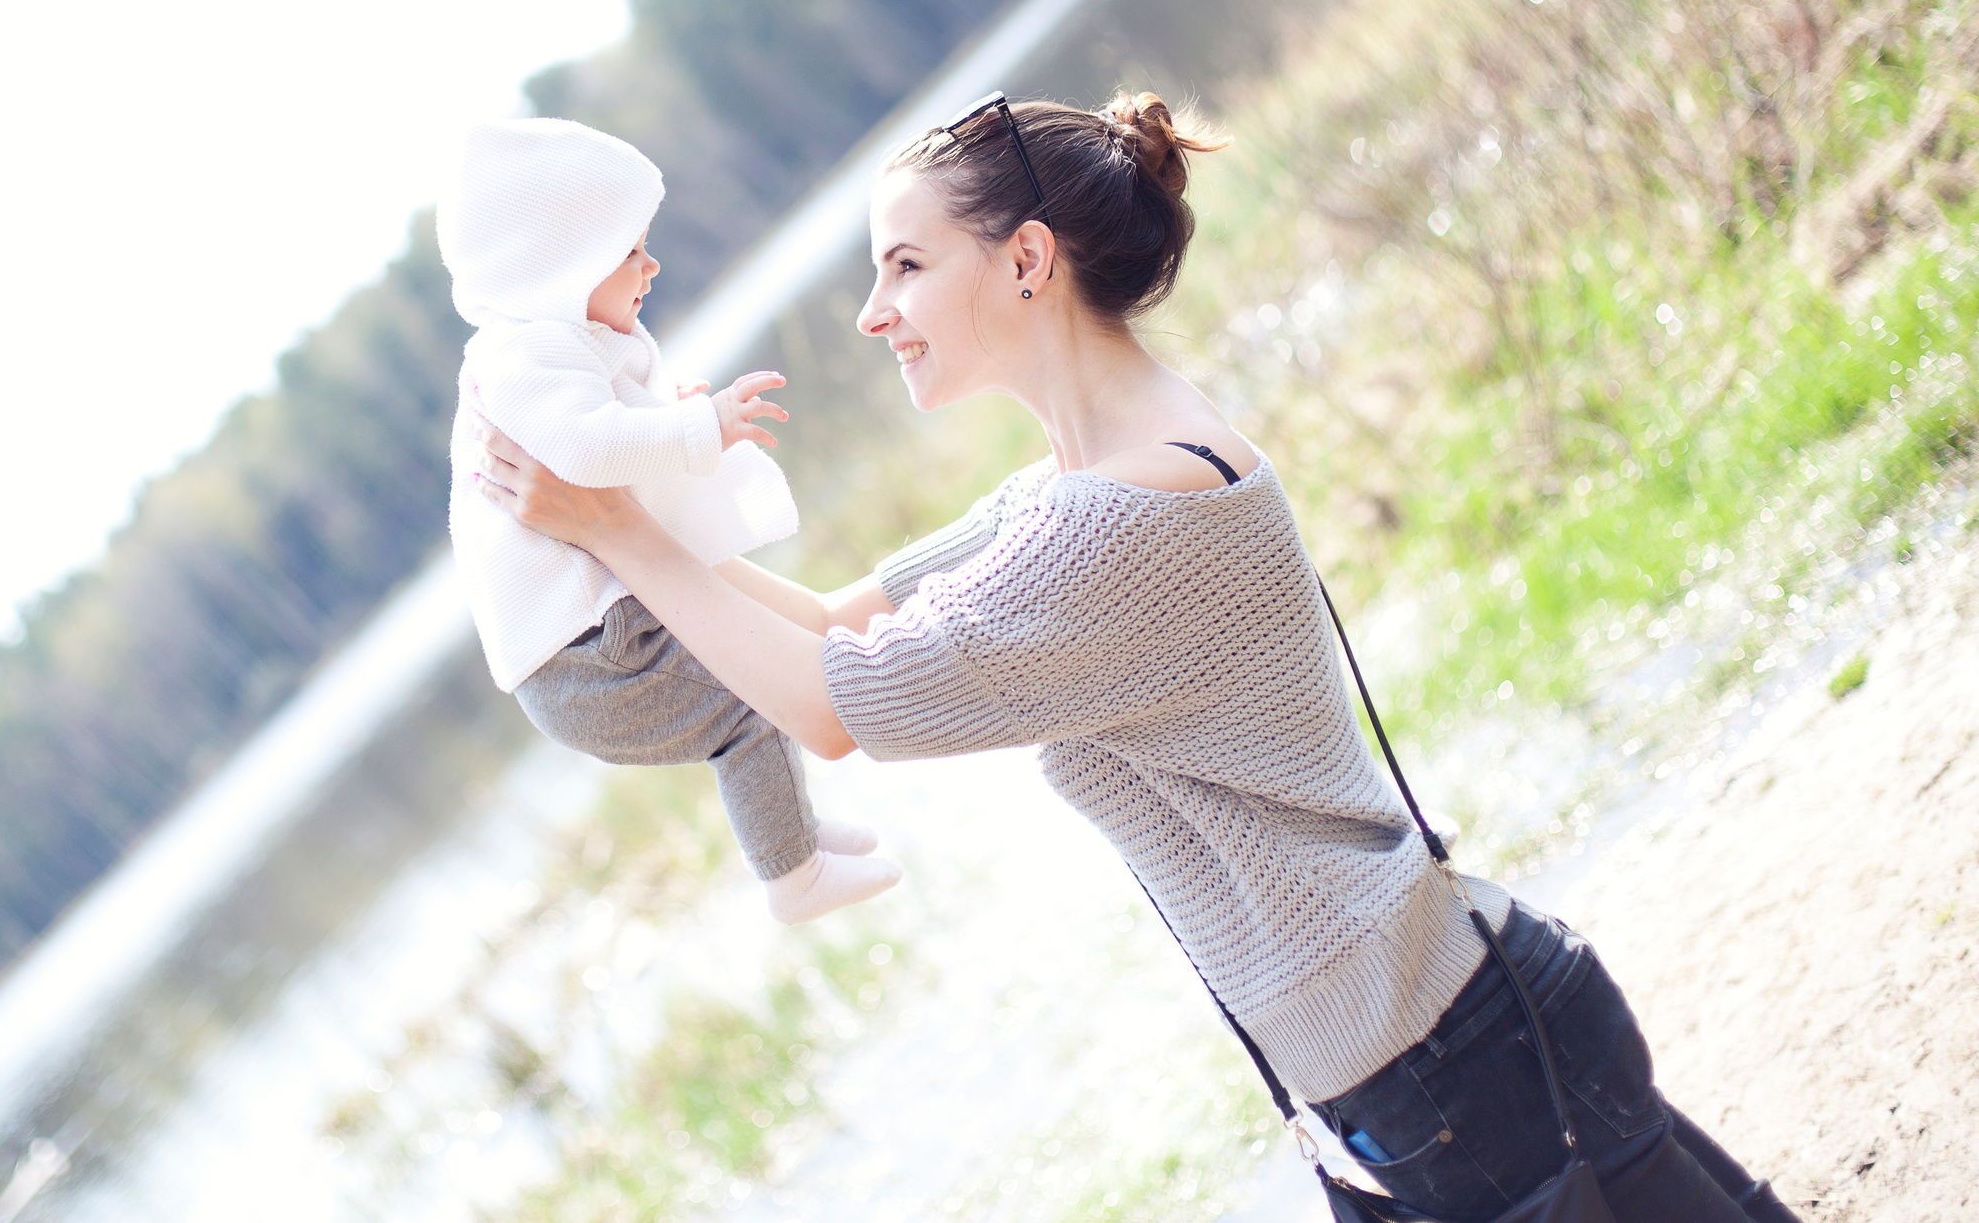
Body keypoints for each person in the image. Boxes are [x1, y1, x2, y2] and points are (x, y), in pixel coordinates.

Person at [467, 91, 1798, 1222]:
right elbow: (840, 620)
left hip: (1452, 1064)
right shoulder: (1099, 471)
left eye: (906, 266)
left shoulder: (1108, 522)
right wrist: (600, 556)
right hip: (1442, 1037)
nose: (874, 312)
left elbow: (830, 704)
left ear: (1029, 258)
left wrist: (625, 534)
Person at [439, 117, 903, 924]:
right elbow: (586, 449)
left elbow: (600, 434)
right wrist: (699, 428)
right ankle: (791, 875)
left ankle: (790, 828)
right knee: (752, 699)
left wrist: (664, 411)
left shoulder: (555, 345)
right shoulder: (524, 358)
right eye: (628, 253)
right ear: (561, 266)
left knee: (768, 665)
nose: (650, 266)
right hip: (589, 653)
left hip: (600, 632)